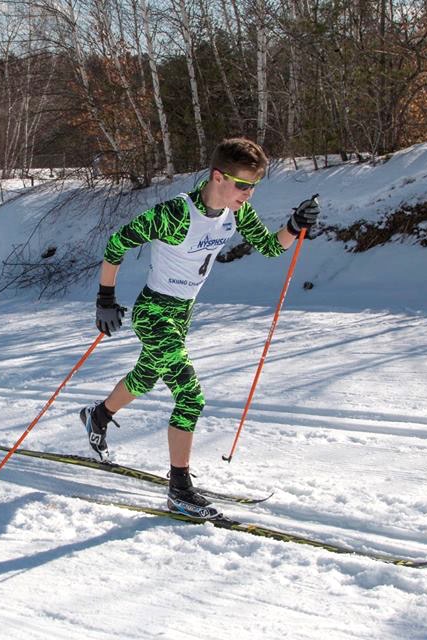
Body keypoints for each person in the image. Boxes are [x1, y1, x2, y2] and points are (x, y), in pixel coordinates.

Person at [80, 138, 320, 519]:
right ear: (218, 177)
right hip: (155, 312)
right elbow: (117, 243)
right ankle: (179, 489)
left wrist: (294, 225)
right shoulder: (175, 214)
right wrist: (105, 298)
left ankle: (98, 416)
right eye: (242, 185)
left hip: (182, 315)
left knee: (145, 377)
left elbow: (273, 248)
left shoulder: (235, 212)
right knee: (190, 398)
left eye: (254, 186)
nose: (248, 193)